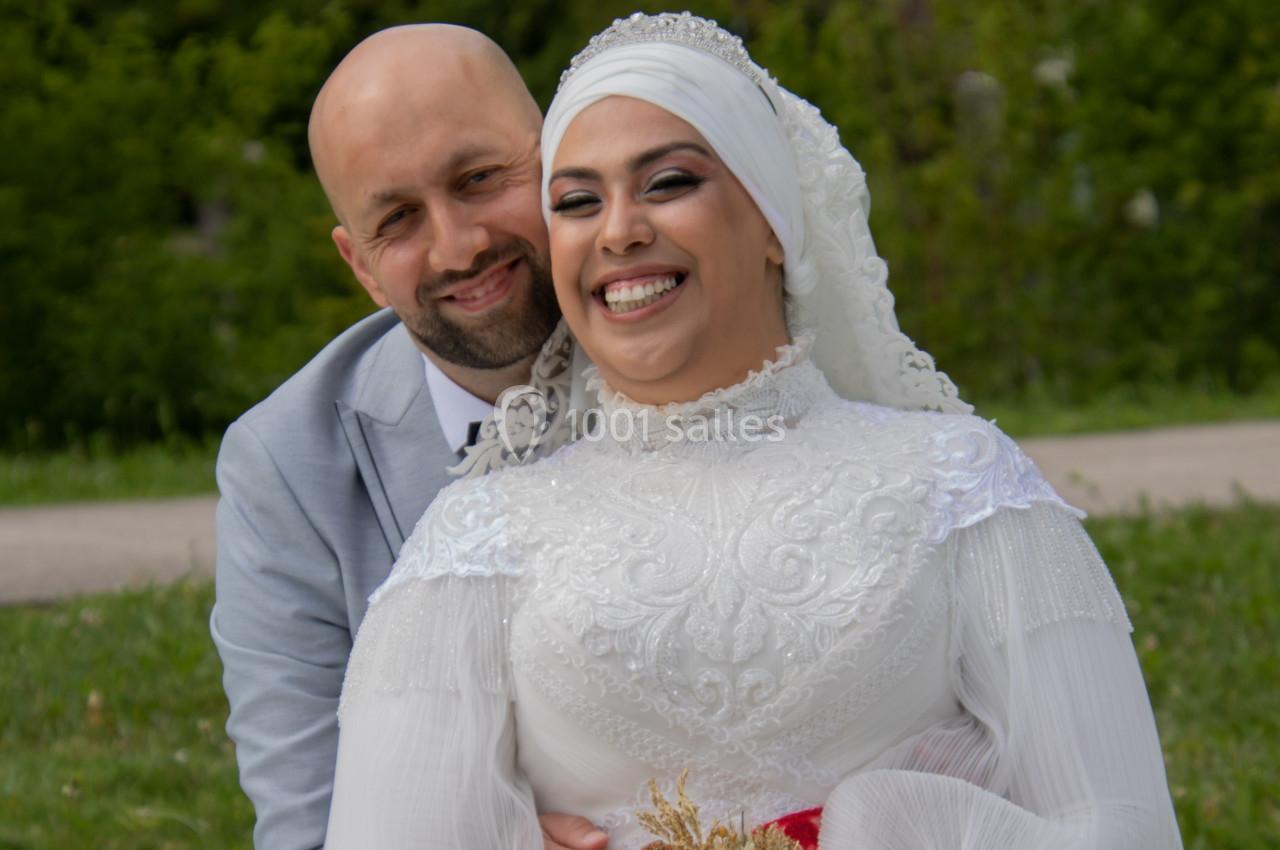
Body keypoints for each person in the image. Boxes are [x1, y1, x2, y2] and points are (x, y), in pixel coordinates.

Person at [323, 12, 1182, 850]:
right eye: (578, 202)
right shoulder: (476, 545)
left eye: (669, 184)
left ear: (772, 217)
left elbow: (1119, 823)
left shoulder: (962, 490)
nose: (621, 230)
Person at [210, 24, 606, 850]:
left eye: (480, 178)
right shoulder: (284, 468)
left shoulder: (715, 345)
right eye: (398, 219)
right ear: (359, 266)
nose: (459, 246)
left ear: (558, 153)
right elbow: (308, 826)